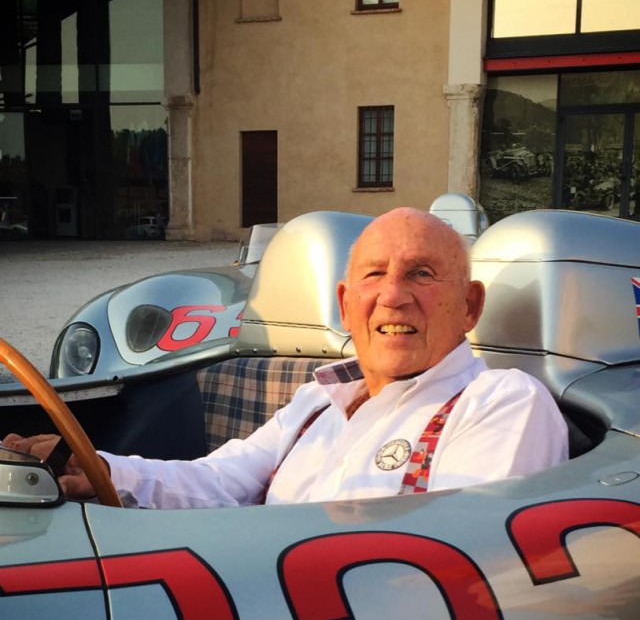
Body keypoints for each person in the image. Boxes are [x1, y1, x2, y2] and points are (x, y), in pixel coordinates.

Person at [3, 207, 568, 508]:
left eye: (422, 273)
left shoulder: (502, 403)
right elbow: (221, 481)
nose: (393, 294)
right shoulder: (318, 401)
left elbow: (461, 572)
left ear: (469, 306)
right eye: (374, 274)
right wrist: (98, 469)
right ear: (348, 305)